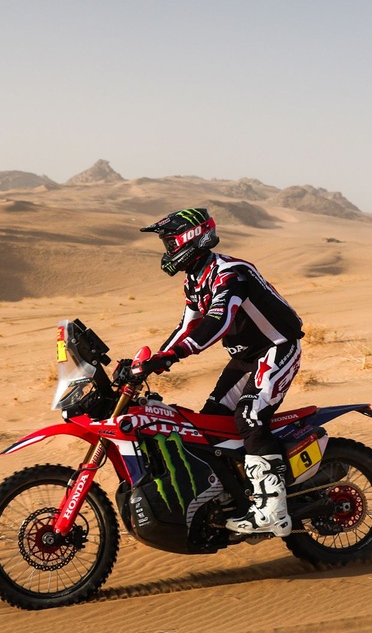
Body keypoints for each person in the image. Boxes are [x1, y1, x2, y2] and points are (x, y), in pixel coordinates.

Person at [133, 207, 305, 538]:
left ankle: (273, 510)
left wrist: (175, 355)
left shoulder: (231, 273)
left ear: (191, 239)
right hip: (244, 359)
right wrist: (149, 362)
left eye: (170, 243)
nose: (167, 251)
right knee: (210, 424)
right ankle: (235, 497)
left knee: (250, 417)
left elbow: (218, 320)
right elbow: (188, 325)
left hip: (277, 348)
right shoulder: (196, 279)